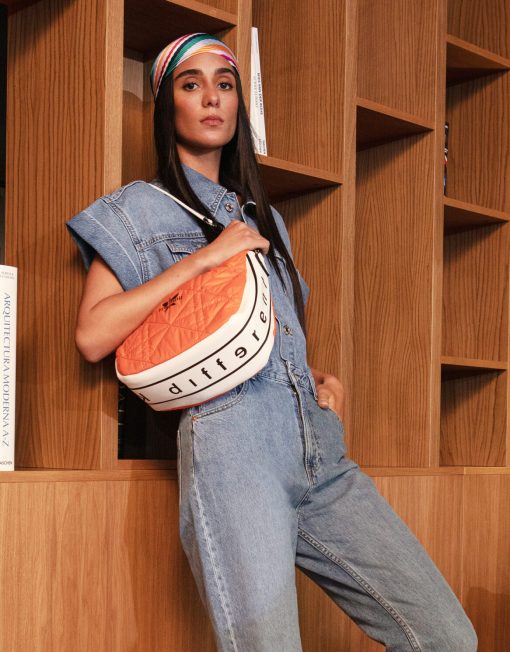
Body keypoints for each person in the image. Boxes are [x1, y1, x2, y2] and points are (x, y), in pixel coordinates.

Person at [66, 33, 478, 652]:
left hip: (319, 449)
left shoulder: (265, 218)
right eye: (191, 85)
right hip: (236, 456)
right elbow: (93, 335)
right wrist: (206, 258)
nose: (212, 98)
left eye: (225, 85)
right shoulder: (137, 210)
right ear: (167, 106)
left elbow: (265, 331)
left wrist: (319, 383)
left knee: (446, 635)